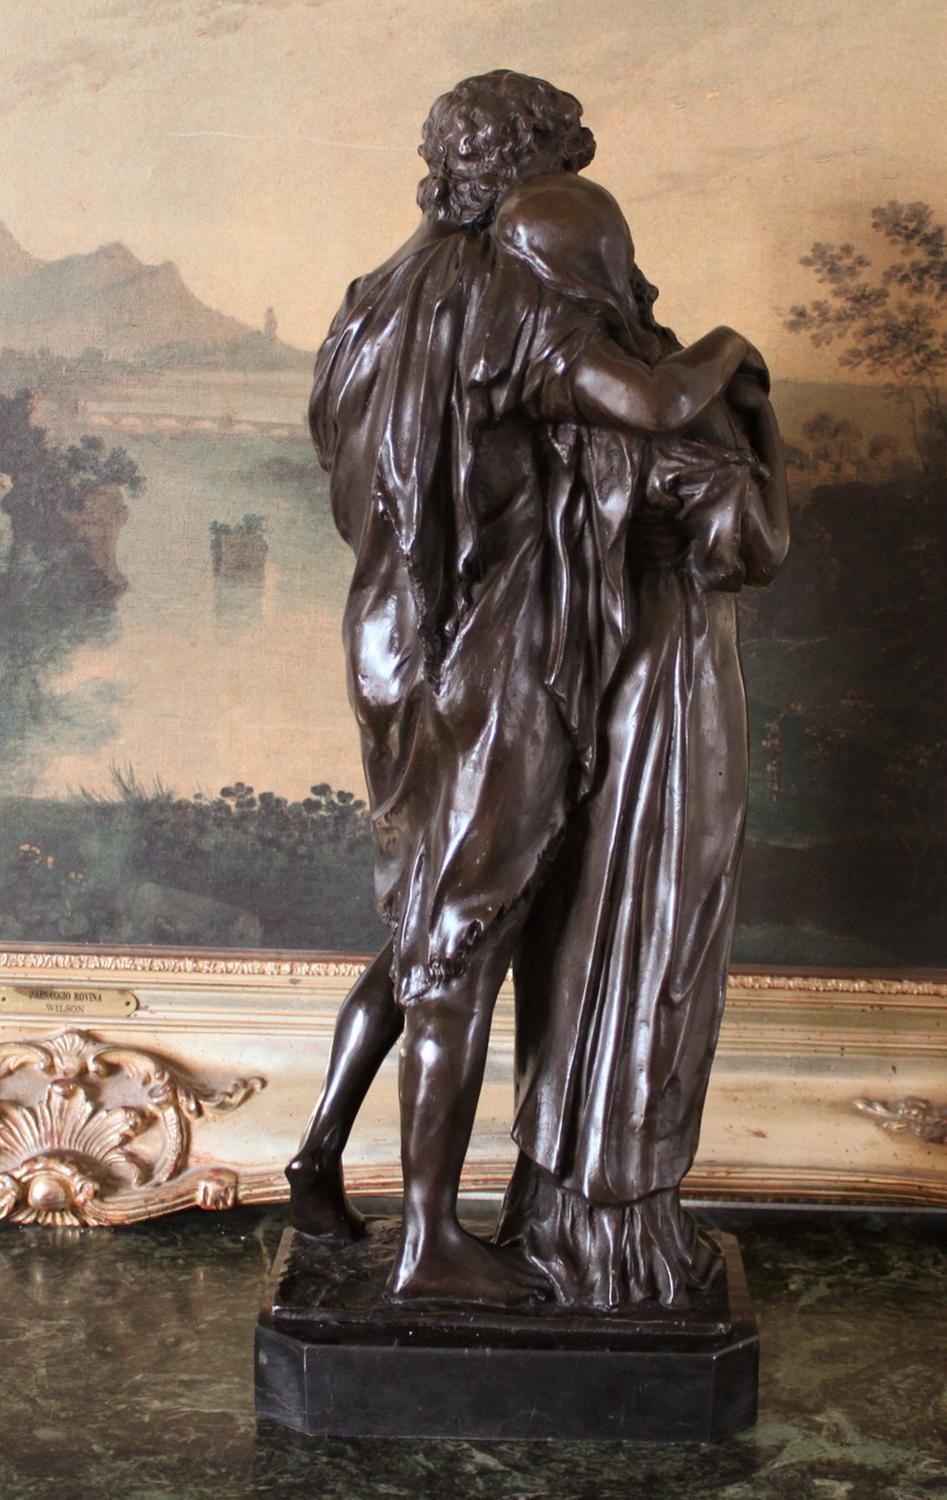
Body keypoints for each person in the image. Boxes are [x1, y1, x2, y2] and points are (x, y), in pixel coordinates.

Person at [287, 69, 778, 1307]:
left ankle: (318, 1154)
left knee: (425, 917)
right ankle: (429, 1245)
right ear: (535, 173)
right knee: (465, 937)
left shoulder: (370, 302)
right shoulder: (506, 297)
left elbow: (350, 468)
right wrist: (733, 351)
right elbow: (651, 401)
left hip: (387, 638)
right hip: (487, 651)